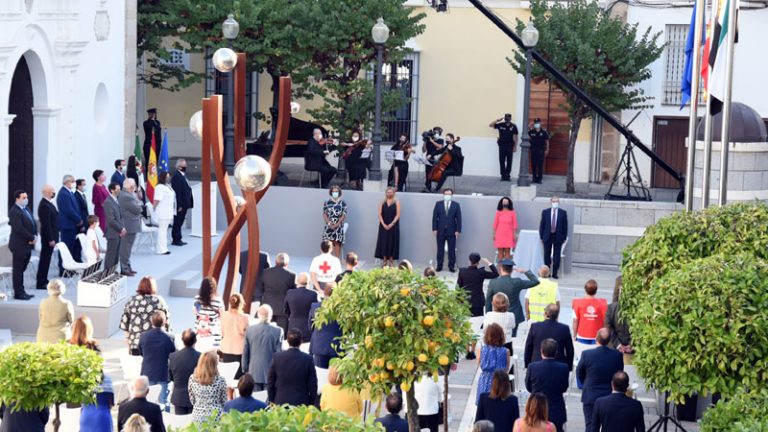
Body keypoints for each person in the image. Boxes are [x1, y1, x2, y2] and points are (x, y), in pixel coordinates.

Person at [577, 328, 624, 431]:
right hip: (609, 395)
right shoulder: (617, 355)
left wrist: (585, 382)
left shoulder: (587, 354)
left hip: (590, 394)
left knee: (590, 425)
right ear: (609, 340)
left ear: (596, 338)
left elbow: (579, 372)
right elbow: (619, 373)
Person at [485, 259, 539, 337]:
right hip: (514, 315)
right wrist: (525, 271)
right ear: (512, 270)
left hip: (497, 314)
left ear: (501, 268)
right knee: (510, 337)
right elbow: (535, 281)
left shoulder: (493, 282)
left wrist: (488, 315)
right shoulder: (517, 282)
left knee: (497, 337)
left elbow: (488, 300)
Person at [120, 276, 171, 355]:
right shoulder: (158, 300)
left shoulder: (132, 300)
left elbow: (125, 321)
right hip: (154, 342)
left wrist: (127, 338)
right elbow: (166, 321)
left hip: (135, 342)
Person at [526, 339, 569, 432]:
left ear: (541, 351)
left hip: (536, 409)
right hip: (556, 409)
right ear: (556, 352)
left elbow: (528, 387)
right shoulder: (563, 368)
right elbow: (564, 387)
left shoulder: (532, 367)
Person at [267, 328, 318, 406]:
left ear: (287, 341)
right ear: (301, 342)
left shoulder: (277, 358)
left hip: (280, 401)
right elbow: (313, 384)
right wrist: (311, 402)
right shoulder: (308, 359)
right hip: (301, 403)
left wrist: (272, 400)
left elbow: (270, 381)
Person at [138, 310, 176, 408]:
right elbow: (173, 354)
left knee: (147, 402)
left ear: (151, 321)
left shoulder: (143, 336)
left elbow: (141, 352)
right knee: (162, 402)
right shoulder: (170, 337)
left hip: (147, 372)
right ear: (164, 322)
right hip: (163, 373)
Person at [243, 305, 284, 391]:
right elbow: (279, 354)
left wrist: (245, 368)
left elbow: (246, 351)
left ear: (258, 315)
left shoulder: (250, 330)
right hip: (270, 372)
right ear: (270, 316)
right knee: (268, 401)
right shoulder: (278, 331)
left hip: (253, 371)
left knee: (256, 399)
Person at [524, 304, 574, 370]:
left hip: (537, 364)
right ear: (557, 315)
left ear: (545, 313)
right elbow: (570, 350)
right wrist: (569, 367)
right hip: (558, 366)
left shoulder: (535, 327)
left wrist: (527, 365)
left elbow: (528, 347)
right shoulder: (564, 329)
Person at [255, 252, 296, 333]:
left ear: (275, 262)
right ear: (287, 264)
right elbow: (293, 293)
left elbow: (260, 289)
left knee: (264, 333)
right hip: (283, 311)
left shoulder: (265, 272)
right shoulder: (291, 275)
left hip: (267, 308)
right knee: (281, 334)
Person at [8, 190, 37, 300]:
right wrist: (31, 237)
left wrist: (35, 236)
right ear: (17, 199)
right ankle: (19, 293)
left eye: (26, 197)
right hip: (19, 245)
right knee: (18, 270)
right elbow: (19, 228)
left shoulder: (26, 209)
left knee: (22, 268)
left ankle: (21, 290)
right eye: (23, 197)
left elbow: (32, 223)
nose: (26, 199)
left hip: (28, 244)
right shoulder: (14, 211)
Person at [189, 351, 228, 424]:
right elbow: (224, 402)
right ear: (214, 364)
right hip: (215, 417)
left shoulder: (192, 378)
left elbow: (192, 400)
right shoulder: (221, 380)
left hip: (197, 417)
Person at [309, 283, 342, 368]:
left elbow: (310, 325)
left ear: (324, 292)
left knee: (321, 375)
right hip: (337, 346)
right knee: (336, 378)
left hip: (319, 344)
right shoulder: (342, 308)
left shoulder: (315, 306)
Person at [169, 329, 201, 415]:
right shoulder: (200, 357)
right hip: (196, 396)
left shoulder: (173, 356)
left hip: (178, 396)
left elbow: (170, 376)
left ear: (182, 340)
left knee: (180, 426)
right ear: (195, 341)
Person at [476, 323, 510, 405]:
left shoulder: (481, 350)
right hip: (500, 381)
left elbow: (480, 364)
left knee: (484, 405)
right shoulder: (506, 351)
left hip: (485, 380)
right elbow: (507, 368)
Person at [458, 253, 499, 319]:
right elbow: (496, 274)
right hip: (478, 302)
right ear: (478, 263)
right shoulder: (481, 272)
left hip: (465, 301)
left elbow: (458, 287)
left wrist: (458, 301)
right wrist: (489, 263)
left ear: (469, 261)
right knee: (478, 322)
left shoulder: (462, 271)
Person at [483, 293, 516, 372]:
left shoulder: (488, 315)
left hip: (491, 344)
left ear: (493, 304)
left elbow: (485, 328)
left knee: (489, 370)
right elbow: (513, 326)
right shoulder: (511, 315)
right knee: (506, 370)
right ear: (507, 304)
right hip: (506, 344)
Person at [221, 293, 250, 381]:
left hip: (226, 348)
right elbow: (248, 334)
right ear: (241, 304)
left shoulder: (224, 315)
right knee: (239, 379)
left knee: (228, 377)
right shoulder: (245, 317)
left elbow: (222, 332)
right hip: (239, 350)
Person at [432, 188, 462, 272]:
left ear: (452, 195)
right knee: (440, 249)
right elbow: (434, 217)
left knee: (451, 249)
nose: (447, 196)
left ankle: (451, 266)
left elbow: (459, 218)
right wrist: (434, 228)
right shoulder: (438, 204)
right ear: (443, 195)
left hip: (452, 231)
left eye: (449, 194)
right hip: (440, 230)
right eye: (446, 194)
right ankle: (439, 265)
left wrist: (458, 230)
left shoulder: (456, 205)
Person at [605, 276, 634, 362]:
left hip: (615, 349)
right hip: (626, 349)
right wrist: (631, 344)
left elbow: (608, 327)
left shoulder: (612, 308)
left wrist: (618, 345)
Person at [57, 174, 84, 267]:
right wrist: (78, 219)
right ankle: (63, 268)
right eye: (72, 181)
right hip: (67, 225)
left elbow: (75, 208)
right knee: (66, 248)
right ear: (67, 182)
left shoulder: (69, 192)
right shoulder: (63, 194)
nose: (74, 183)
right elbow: (69, 210)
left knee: (71, 248)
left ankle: (69, 267)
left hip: (72, 225)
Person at [285, 273, 319, 344]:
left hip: (293, 326)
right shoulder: (313, 294)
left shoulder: (290, 293)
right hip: (307, 329)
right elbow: (316, 311)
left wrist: (290, 317)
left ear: (297, 281)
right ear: (309, 282)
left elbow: (285, 309)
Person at [36, 279, 74, 343]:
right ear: (63, 288)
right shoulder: (66, 303)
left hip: (42, 336)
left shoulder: (43, 302)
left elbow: (40, 317)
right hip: (61, 337)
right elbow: (71, 320)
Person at [118, 178, 143, 275]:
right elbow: (137, 209)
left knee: (128, 247)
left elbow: (137, 206)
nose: (135, 188)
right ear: (131, 186)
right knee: (126, 248)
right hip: (128, 225)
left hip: (130, 224)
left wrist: (138, 203)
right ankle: (124, 268)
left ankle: (127, 266)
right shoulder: (126, 196)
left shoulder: (128, 194)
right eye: (134, 186)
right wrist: (139, 204)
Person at [538, 196, 567, 279]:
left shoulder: (563, 212)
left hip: (558, 236)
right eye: (554, 201)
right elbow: (542, 225)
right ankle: (547, 272)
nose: (555, 203)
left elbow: (565, 226)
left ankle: (555, 272)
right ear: (551, 201)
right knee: (546, 255)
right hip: (547, 236)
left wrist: (564, 237)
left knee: (556, 256)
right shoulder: (545, 212)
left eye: (557, 201)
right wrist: (541, 237)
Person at [36, 185, 58, 290]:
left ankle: (44, 279)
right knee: (44, 260)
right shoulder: (44, 205)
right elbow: (46, 224)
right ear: (47, 192)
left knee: (47, 259)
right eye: (52, 191)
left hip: (51, 236)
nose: (54, 193)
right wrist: (50, 239)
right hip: (48, 238)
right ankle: (41, 282)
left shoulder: (48, 203)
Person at [573, 279, 608, 345]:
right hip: (598, 336)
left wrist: (574, 335)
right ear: (596, 290)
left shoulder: (577, 303)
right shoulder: (603, 303)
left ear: (585, 289)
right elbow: (605, 320)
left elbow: (575, 321)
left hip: (582, 334)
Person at [194, 276, 224, 353]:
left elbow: (195, 313)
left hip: (199, 335)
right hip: (214, 337)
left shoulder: (197, 299)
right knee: (212, 360)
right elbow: (222, 316)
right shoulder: (218, 301)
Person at [374, 187, 401, 267]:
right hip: (383, 226)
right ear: (386, 193)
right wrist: (383, 224)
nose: (389, 193)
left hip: (394, 226)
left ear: (394, 193)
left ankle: (391, 261)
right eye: (388, 192)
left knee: (393, 242)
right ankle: (385, 260)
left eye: (391, 192)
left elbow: (398, 214)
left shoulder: (397, 202)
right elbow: (379, 214)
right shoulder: (382, 202)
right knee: (384, 242)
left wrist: (392, 224)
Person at [490, 113, 519, 181]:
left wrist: (515, 146)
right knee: (502, 161)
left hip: (510, 146)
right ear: (504, 118)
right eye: (506, 118)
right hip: (502, 146)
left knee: (509, 161)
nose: (507, 119)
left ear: (510, 119)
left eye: (508, 118)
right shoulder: (501, 125)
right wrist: (498, 120)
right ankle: (503, 176)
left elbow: (515, 137)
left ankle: (507, 175)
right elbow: (490, 125)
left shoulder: (513, 126)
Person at [103, 182, 125, 271]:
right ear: (112, 190)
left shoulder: (117, 200)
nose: (119, 191)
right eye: (117, 189)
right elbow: (111, 220)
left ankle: (113, 271)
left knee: (116, 254)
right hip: (113, 232)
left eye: (120, 189)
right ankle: (107, 273)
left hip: (118, 232)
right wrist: (121, 228)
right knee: (111, 255)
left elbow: (120, 216)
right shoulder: (108, 202)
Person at [152, 171, 176, 255]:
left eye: (169, 176)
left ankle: (164, 247)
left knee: (164, 231)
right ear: (163, 177)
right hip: (162, 212)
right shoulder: (159, 187)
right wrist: (153, 209)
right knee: (162, 231)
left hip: (168, 212)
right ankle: (161, 249)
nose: (168, 178)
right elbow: (156, 200)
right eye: (167, 176)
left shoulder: (168, 186)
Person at [171, 158, 193, 246]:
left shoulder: (182, 175)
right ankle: (175, 239)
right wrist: (179, 205)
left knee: (180, 221)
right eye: (184, 166)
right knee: (177, 221)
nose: (185, 167)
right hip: (180, 204)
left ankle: (179, 238)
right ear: (179, 167)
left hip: (185, 203)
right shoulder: (177, 176)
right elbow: (178, 192)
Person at [321, 186, 347, 258]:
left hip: (338, 225)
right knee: (328, 243)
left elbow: (344, 214)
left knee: (337, 242)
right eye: (333, 191)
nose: (335, 193)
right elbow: (324, 214)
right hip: (329, 225)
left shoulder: (343, 203)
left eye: (336, 192)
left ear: (339, 193)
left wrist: (337, 224)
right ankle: (329, 259)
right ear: (331, 192)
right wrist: (329, 223)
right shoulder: (327, 202)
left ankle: (337, 259)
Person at [493, 196, 518, 261]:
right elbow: (495, 224)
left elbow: (514, 224)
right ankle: (499, 270)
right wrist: (494, 234)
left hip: (509, 235)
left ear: (509, 203)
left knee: (507, 252)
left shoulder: (512, 213)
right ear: (501, 203)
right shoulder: (498, 212)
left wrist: (514, 234)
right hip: (500, 234)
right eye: (503, 201)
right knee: (500, 253)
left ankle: (506, 270)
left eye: (506, 202)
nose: (505, 203)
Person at [528, 118, 550, 184]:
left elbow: (547, 141)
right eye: (535, 123)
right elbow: (525, 134)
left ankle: (539, 179)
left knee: (540, 165)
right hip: (533, 151)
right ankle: (534, 178)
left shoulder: (544, 132)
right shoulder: (531, 132)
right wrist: (529, 126)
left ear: (540, 123)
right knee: (533, 165)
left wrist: (547, 149)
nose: (537, 124)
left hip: (541, 151)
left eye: (538, 123)